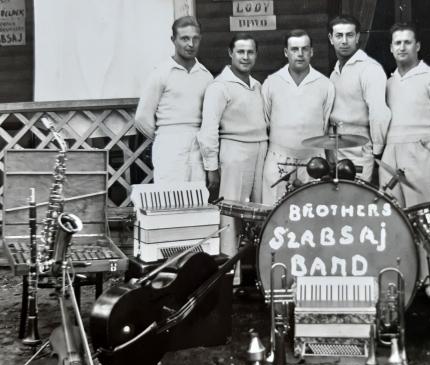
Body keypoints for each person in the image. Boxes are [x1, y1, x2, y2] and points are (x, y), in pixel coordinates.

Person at [381, 22, 430, 290]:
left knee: (426, 217)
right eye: (397, 43)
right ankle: (406, 279)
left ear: (417, 46)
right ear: (391, 48)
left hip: (423, 151)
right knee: (394, 218)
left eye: (407, 42)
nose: (402, 47)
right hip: (392, 151)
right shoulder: (388, 83)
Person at [197, 33, 268, 261]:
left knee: (259, 211)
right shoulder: (219, 87)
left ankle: (257, 272)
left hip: (260, 152)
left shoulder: (257, 86)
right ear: (230, 54)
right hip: (234, 154)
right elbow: (208, 128)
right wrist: (211, 166)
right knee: (230, 216)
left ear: (256, 54)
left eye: (250, 52)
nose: (245, 57)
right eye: (240, 52)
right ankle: (230, 279)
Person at [135, 16, 212, 184]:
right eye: (184, 38)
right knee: (170, 198)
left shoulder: (206, 76)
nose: (190, 44)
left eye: (195, 39)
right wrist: (165, 138)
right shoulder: (161, 73)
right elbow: (142, 118)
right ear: (174, 40)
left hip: (198, 145)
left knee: (196, 197)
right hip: (169, 142)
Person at [261, 29, 335, 205]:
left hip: (314, 161)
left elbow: (325, 124)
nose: (300, 54)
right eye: (294, 49)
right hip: (278, 159)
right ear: (286, 52)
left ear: (312, 51)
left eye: (305, 49)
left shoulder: (325, 84)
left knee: (312, 216)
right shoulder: (271, 82)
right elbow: (266, 121)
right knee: (275, 216)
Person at [328, 14, 391, 182]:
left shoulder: (369, 69)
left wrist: (377, 150)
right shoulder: (335, 73)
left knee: (355, 200)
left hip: (358, 147)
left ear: (357, 37)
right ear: (330, 39)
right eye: (339, 35)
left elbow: (379, 113)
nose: (344, 41)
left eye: (349, 35)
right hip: (335, 145)